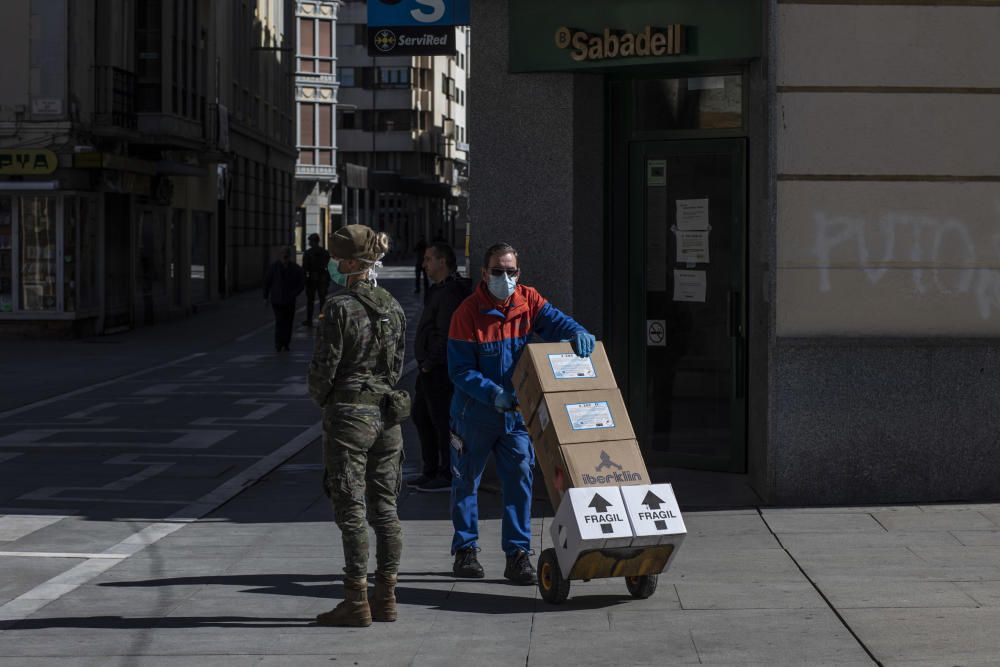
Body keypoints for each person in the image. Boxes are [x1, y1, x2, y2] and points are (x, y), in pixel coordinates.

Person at [447, 242, 595, 584]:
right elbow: (460, 371)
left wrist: (577, 333)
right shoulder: (467, 314)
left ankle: (517, 554)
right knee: (466, 481)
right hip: (474, 414)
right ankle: (465, 550)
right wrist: (492, 393)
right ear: (484, 274)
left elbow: (557, 322)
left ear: (519, 273)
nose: (504, 277)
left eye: (510, 271)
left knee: (520, 482)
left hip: (514, 414)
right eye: (497, 271)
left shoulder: (528, 301)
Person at [308, 224, 407, 628]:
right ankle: (387, 598)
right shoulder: (394, 306)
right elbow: (398, 365)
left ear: (351, 263)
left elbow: (324, 367)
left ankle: (355, 600)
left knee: (350, 507)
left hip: (350, 415)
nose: (333, 265)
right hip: (387, 415)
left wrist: (322, 397)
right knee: (386, 509)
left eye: (337, 259)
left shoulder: (338, 307)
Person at [410, 242, 472, 493]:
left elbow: (445, 334)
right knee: (421, 416)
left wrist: (429, 363)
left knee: (441, 421)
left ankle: (446, 472)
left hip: (439, 369)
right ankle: (431, 470)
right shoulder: (438, 290)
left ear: (442, 262)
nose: (424, 264)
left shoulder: (449, 293)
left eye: (428, 259)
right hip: (430, 368)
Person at [263, 247, 304, 352]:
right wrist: (265, 297)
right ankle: (278, 343)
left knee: (288, 322)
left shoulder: (295, 268)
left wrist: (295, 293)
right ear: (279, 255)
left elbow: (301, 283)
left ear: (289, 256)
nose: (284, 256)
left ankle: (286, 343)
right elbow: (267, 283)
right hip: (277, 300)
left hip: (289, 300)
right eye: (282, 254)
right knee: (280, 321)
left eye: (285, 254)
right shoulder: (274, 267)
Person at [302, 232, 331, 326]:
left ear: (313, 241)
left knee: (310, 301)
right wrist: (327, 281)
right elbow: (330, 268)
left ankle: (309, 320)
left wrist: (305, 280)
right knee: (322, 300)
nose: (309, 243)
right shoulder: (325, 252)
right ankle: (322, 320)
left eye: (310, 241)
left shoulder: (308, 253)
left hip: (312, 279)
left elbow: (304, 268)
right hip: (322, 278)